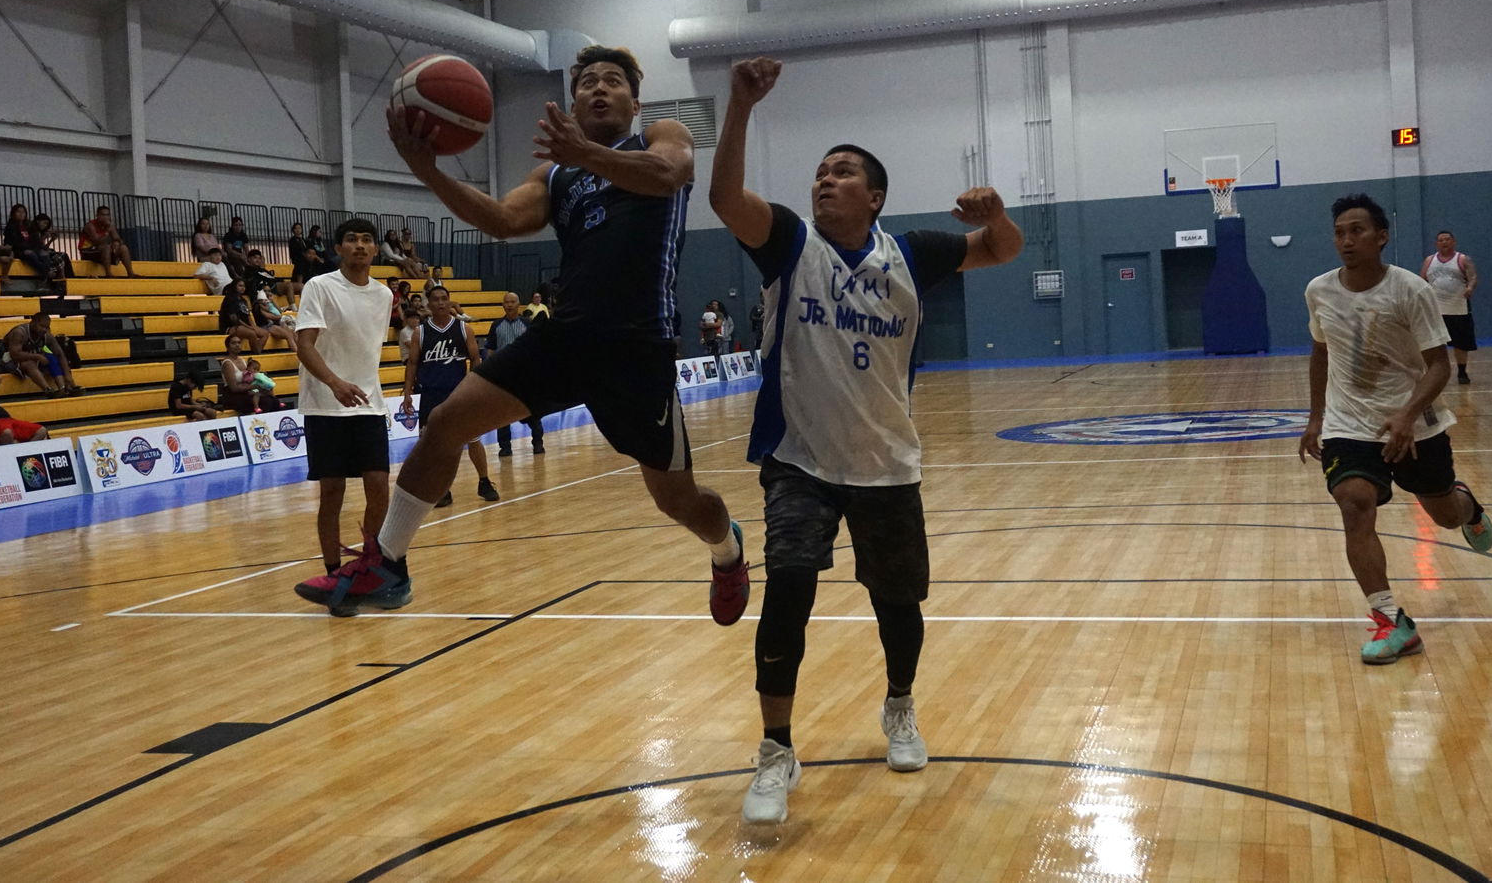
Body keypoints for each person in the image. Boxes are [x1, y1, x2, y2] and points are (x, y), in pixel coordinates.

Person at [295, 44, 749, 625]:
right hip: (565, 338)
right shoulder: (556, 174)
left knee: (680, 500)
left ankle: (726, 550)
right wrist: (427, 170)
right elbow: (503, 220)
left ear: (634, 103)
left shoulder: (658, 136)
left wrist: (585, 150)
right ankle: (388, 564)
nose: (600, 89)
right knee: (444, 424)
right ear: (574, 101)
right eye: (588, 82)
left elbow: (671, 175)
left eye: (613, 81)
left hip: (636, 346)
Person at [709, 56, 1024, 824]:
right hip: (800, 460)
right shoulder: (788, 242)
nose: (824, 180)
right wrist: (740, 107)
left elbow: (1004, 248)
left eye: (842, 173)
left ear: (874, 196)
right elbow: (722, 198)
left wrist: (996, 213)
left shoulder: (912, 253)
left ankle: (900, 706)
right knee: (787, 592)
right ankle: (776, 750)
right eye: (820, 171)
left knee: (897, 602)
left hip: (887, 459)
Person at [1298, 193, 1492, 667]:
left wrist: (1407, 415)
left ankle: (1467, 505)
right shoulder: (1319, 291)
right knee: (1354, 502)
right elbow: (1320, 351)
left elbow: (1438, 366)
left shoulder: (1411, 290)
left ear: (1381, 236)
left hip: (1415, 424)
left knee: (1444, 513)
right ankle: (1391, 621)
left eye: (1357, 231)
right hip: (1350, 423)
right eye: (1340, 232)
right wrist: (1315, 417)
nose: (1346, 240)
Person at [291, 218, 395, 579]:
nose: (360, 246)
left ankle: (369, 562)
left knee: (380, 487)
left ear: (375, 249)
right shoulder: (319, 287)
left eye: (367, 240)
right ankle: (333, 572)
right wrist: (335, 383)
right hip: (324, 404)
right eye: (352, 239)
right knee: (332, 492)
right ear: (338, 248)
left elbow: (367, 350)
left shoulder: (384, 295)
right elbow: (304, 345)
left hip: (368, 403)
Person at [403, 285, 499, 508]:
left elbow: (476, 360)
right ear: (429, 304)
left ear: (449, 301)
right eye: (435, 299)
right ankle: (442, 489)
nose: (440, 303)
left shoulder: (464, 329)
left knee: (473, 437)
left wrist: (478, 387)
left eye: (444, 299)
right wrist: (407, 392)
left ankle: (484, 482)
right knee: (431, 444)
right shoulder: (421, 332)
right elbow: (413, 363)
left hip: (458, 392)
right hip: (430, 393)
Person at [482, 291, 545, 456]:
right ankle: (505, 447)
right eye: (506, 302)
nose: (509, 305)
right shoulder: (496, 325)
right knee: (502, 414)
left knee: (531, 411)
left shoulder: (528, 323)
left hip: (524, 375)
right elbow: (490, 348)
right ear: (503, 305)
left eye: (512, 302)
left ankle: (538, 442)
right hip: (503, 376)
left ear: (519, 304)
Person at [1419, 230, 1478, 384]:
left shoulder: (1463, 259)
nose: (1444, 242)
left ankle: (1462, 372)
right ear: (1436, 243)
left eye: (1447, 239)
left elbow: (1473, 277)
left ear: (1453, 242)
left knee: (1461, 343)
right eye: (1441, 240)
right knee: (1435, 342)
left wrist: (1470, 288)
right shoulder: (1429, 260)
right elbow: (1421, 280)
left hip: (1458, 308)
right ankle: (1435, 372)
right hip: (1436, 309)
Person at [0, 312, 83, 397]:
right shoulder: (19, 332)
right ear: (33, 322)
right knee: (29, 363)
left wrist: (67, 375)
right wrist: (37, 356)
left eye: (47, 327)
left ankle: (64, 388)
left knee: (52, 358)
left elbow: (60, 354)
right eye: (42, 326)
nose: (44, 329)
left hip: (28, 359)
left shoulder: (46, 335)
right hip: (5, 360)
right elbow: (15, 355)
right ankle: (48, 390)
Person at [0, 368, 49, 446]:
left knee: (41, 430)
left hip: (7, 420)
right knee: (6, 432)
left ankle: (24, 452)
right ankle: (10, 455)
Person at [78, 205, 138, 278]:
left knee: (123, 248)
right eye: (103, 215)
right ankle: (108, 274)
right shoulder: (90, 226)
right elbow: (97, 242)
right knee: (106, 247)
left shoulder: (110, 226)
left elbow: (118, 239)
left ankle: (131, 273)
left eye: (108, 215)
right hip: (87, 251)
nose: (105, 217)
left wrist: (116, 243)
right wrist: (107, 231)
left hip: (101, 251)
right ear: (98, 216)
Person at [219, 279, 272, 354]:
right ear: (234, 286)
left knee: (265, 333)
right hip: (231, 327)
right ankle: (257, 353)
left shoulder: (243, 300)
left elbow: (248, 316)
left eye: (244, 286)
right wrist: (249, 327)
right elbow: (235, 319)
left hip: (244, 326)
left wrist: (254, 326)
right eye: (240, 286)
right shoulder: (229, 299)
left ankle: (257, 351)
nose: (242, 288)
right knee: (252, 333)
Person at [30, 214, 74, 283]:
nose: (45, 225)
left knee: (62, 255)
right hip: (36, 252)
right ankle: (61, 275)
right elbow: (38, 246)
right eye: (44, 223)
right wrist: (44, 237)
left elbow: (44, 247)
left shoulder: (40, 232)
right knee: (59, 257)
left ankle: (63, 275)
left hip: (40, 252)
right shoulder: (33, 231)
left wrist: (51, 240)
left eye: (47, 224)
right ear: (38, 221)